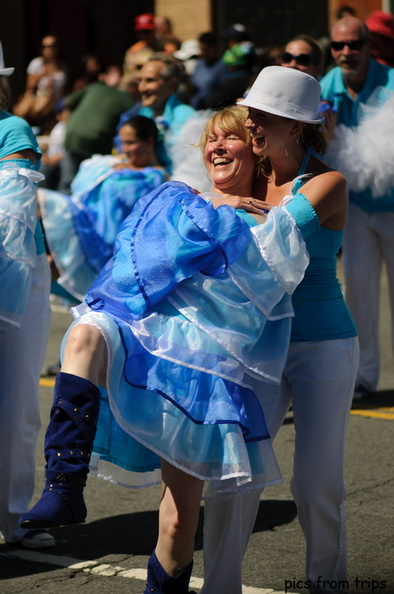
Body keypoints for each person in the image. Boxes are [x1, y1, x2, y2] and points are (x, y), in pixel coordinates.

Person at [19, 105, 311, 593]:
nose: (216, 146)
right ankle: (64, 485)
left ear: (255, 148)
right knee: (86, 331)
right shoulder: (176, 197)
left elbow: (260, 297)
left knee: (178, 527)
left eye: (231, 138)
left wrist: (236, 218)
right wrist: (216, 214)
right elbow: (136, 266)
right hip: (139, 334)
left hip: (197, 367)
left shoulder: (271, 222)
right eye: (210, 139)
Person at [201, 66, 359, 594]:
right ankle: (219, 586)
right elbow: (201, 214)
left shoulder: (329, 182)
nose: (253, 123)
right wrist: (221, 199)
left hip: (324, 346)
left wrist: (220, 203)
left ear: (297, 127)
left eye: (266, 115)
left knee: (315, 484)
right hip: (260, 341)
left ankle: (327, 584)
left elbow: (274, 238)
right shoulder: (248, 173)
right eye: (253, 113)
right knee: (234, 476)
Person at [320, 16, 394, 399]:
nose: (346, 52)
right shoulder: (326, 87)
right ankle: (364, 377)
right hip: (356, 210)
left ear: (368, 47)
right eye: (338, 46)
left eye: (354, 44)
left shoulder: (392, 81)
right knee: (359, 293)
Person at [0, 44, 53, 550]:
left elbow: (12, 212)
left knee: (17, 405)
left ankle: (13, 518)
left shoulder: (12, 130)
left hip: (15, 272)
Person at [39, 115, 167, 302]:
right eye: (122, 142)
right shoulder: (113, 163)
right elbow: (82, 184)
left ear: (149, 143)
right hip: (83, 222)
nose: (124, 149)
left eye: (130, 143)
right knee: (47, 266)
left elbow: (132, 201)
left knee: (39, 200)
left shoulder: (155, 176)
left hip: (101, 242)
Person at [58, 65, 134, 193]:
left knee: (68, 182)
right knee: (91, 183)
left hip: (72, 135)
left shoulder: (95, 87)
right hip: (97, 143)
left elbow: (63, 103)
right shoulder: (130, 103)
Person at [115, 54, 196, 174]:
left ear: (171, 85)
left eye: (150, 80)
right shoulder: (141, 112)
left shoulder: (188, 119)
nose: (142, 88)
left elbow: (192, 169)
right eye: (140, 81)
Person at [13, 34, 68, 134]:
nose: (48, 49)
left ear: (57, 48)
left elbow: (63, 91)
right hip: (37, 107)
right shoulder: (36, 63)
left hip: (54, 108)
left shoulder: (62, 67)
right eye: (45, 46)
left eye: (52, 46)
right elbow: (29, 87)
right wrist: (41, 75)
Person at [189, 32, 228, 109]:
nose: (201, 53)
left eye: (205, 50)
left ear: (214, 48)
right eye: (201, 49)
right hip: (196, 109)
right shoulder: (200, 64)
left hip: (213, 110)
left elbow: (222, 92)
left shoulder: (222, 67)